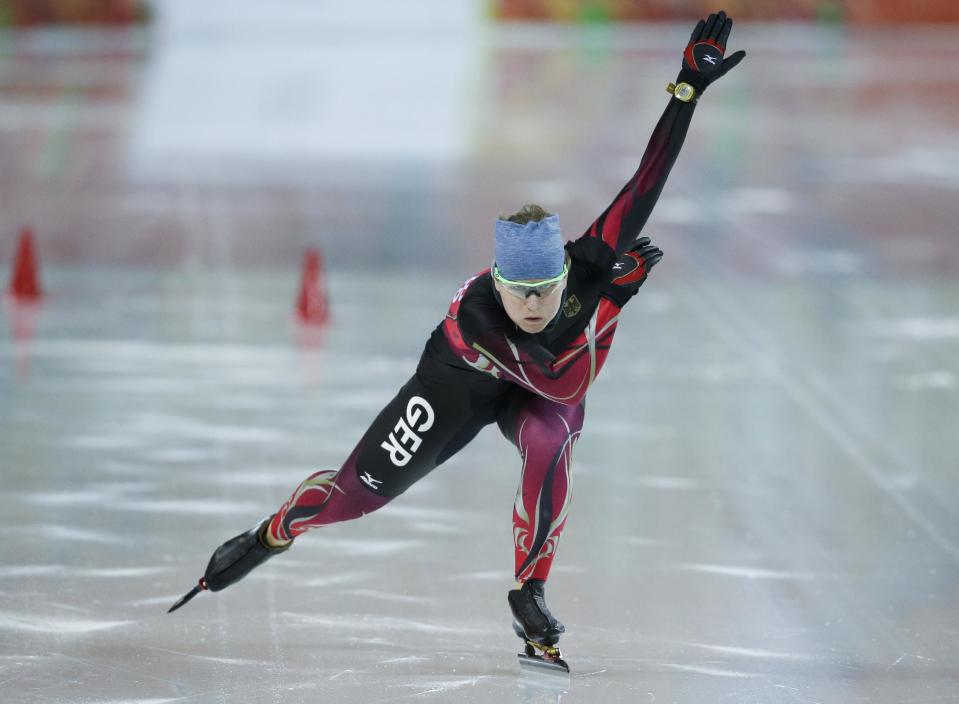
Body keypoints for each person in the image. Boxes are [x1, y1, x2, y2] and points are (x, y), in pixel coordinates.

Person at [169, 9, 745, 665]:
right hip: (455, 389)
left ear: (567, 274)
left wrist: (685, 89)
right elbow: (568, 377)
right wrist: (612, 300)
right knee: (354, 499)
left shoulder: (588, 259)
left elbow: (646, 179)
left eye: (546, 293)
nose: (532, 305)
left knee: (552, 439)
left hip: (535, 382)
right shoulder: (479, 320)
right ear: (495, 284)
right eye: (517, 294)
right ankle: (276, 529)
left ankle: (530, 592)